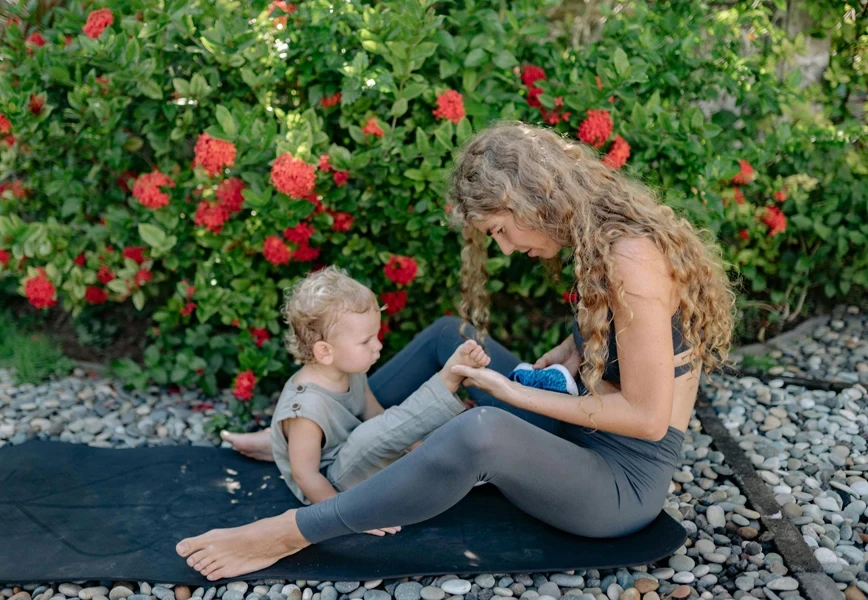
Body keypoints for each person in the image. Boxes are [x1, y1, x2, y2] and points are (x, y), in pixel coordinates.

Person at [176, 121, 736, 581]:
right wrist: (569, 352)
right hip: (581, 435)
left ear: (529, 199)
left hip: (618, 485)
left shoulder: (629, 256)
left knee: (482, 429)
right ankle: (306, 426)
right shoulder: (602, 241)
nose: (507, 248)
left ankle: (290, 531)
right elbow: (624, 335)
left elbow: (645, 417)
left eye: (498, 229)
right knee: (451, 336)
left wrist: (513, 391)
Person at [246, 266, 491, 535]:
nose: (378, 346)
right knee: (368, 437)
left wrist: (413, 446)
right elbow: (306, 475)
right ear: (325, 351)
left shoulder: (350, 373)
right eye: (366, 341)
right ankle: (446, 382)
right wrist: (345, 516)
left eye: (376, 336)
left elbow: (376, 415)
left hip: (354, 457)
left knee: (386, 431)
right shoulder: (306, 409)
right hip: (333, 486)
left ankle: (430, 456)